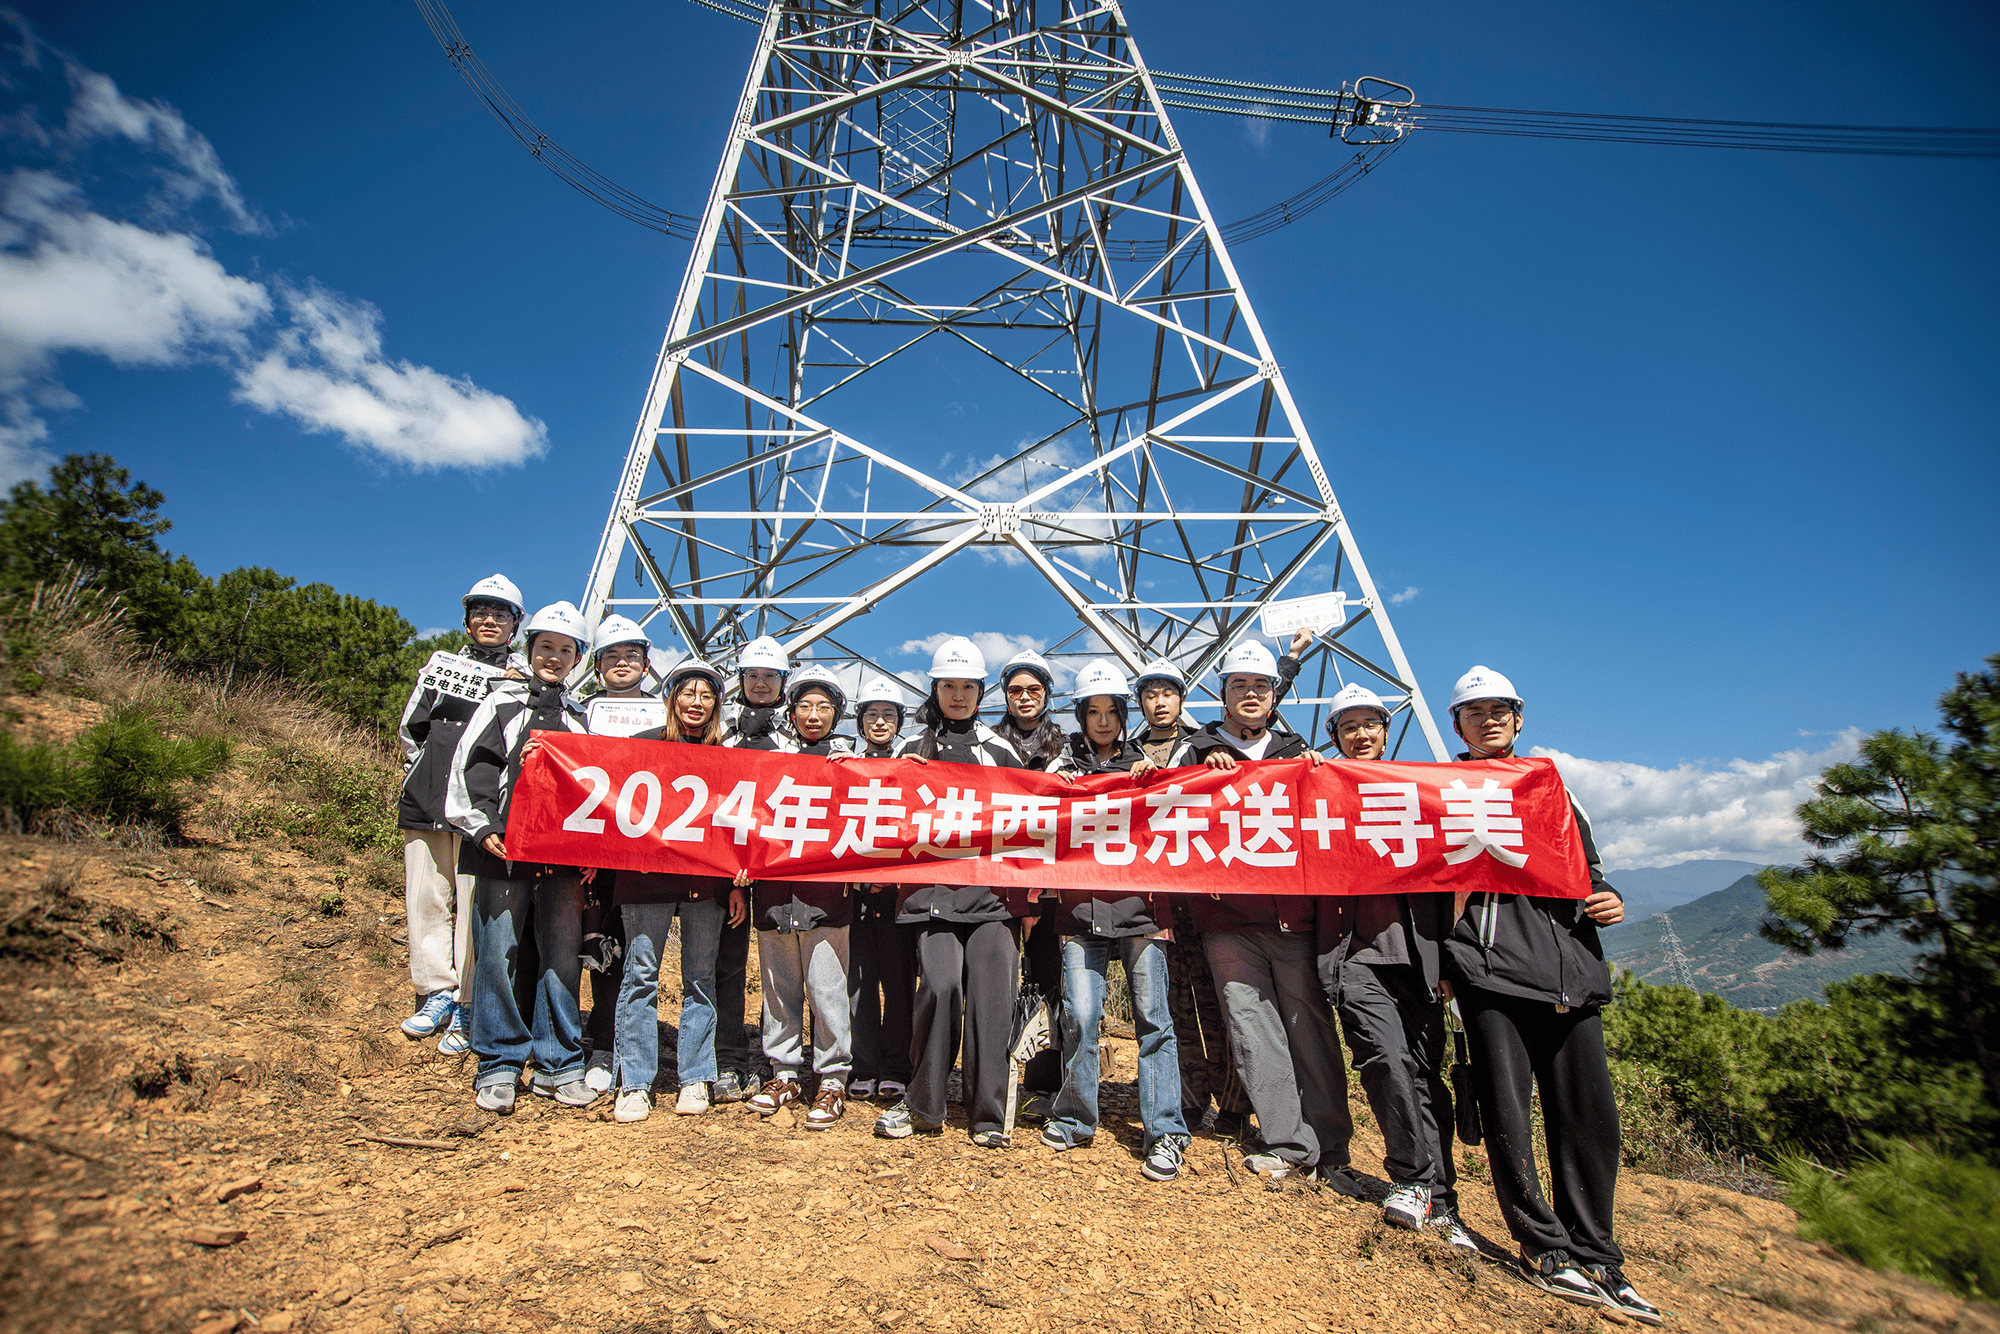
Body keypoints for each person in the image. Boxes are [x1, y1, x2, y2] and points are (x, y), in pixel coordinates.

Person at [1441, 666, 1661, 1325]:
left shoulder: (1554, 788)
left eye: (1499, 709)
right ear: (1457, 725)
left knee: (1590, 1120)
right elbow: (1431, 882)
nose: (1488, 720)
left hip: (1570, 972)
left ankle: (1598, 1254)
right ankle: (1543, 1246)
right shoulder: (1446, 793)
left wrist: (1610, 897)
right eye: (1473, 712)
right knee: (1507, 1115)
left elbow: (1588, 871)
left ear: (1519, 716)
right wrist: (1449, 965)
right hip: (1491, 969)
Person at [1171, 638, 1359, 1188]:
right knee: (1254, 1032)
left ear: (1275, 694)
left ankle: (1332, 1146)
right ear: (1222, 695)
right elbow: (1168, 805)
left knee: (1309, 1031)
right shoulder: (1198, 749)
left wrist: (1321, 773)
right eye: (1238, 686)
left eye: (1261, 686)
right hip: (1225, 919)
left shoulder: (1299, 753)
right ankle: (1287, 1142)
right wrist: (1201, 769)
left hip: (1293, 918)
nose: (1250, 695)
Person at [1315, 682, 1473, 1249]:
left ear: (1386, 732)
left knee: (1427, 1074)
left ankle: (1443, 1198)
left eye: (1370, 725)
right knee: (1383, 1058)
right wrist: (1307, 771)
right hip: (1354, 955)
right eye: (1348, 727)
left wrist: (1453, 960)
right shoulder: (1317, 791)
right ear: (1333, 735)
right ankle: (1410, 1177)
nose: (1361, 735)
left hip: (1419, 956)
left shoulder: (1421, 791)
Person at [874, 636, 1035, 1147]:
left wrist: (1028, 901)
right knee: (940, 988)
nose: (959, 695)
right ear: (935, 688)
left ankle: (987, 1115)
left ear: (981, 690)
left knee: (992, 1002)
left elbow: (1030, 823)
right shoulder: (910, 749)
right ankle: (924, 1104)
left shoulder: (1001, 750)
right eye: (949, 685)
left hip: (992, 900)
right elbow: (873, 801)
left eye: (968, 686)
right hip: (932, 897)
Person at [1042, 659, 1191, 1182]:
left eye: (1111, 711)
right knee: (1080, 1016)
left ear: (1124, 716)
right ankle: (1074, 1117)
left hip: (1142, 911)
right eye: (1093, 711)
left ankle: (1165, 1130)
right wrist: (1052, 787)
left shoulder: (1148, 770)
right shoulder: (1063, 773)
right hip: (1080, 912)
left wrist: (1158, 784)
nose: (1102, 722)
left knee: (1154, 1020)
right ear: (1080, 715)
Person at [445, 601, 593, 1115]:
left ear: (578, 659)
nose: (555, 657)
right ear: (529, 650)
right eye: (546, 647)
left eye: (565, 650)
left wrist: (594, 849)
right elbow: (470, 768)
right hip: (503, 850)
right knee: (498, 953)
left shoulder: (583, 718)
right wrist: (482, 826)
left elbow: (595, 794)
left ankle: (559, 1062)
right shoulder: (501, 704)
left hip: (564, 858)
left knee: (561, 957)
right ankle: (499, 1063)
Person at [605, 657, 745, 1122]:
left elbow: (742, 823)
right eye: (689, 693)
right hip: (646, 881)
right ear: (671, 698)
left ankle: (695, 1077)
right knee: (640, 975)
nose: (697, 703)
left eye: (707, 696)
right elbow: (599, 793)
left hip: (705, 883)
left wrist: (740, 878)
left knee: (700, 980)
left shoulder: (730, 757)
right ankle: (636, 1083)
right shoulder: (638, 748)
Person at [393, 574, 526, 1057]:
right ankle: (436, 993)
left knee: (475, 906)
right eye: (480, 612)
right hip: (426, 801)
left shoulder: (523, 679)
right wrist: (422, 775)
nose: (489, 620)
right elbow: (413, 729)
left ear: (516, 624)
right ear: (468, 620)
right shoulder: (441, 667)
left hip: (480, 809)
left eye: (500, 613)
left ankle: (471, 1000)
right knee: (427, 898)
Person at [1133, 657, 1254, 1139]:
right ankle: (1187, 1098)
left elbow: (1253, 778)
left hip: (1205, 896)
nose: (1159, 703)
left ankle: (1234, 1106)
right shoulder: (1129, 752)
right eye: (1150, 695)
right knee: (1174, 1003)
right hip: (1152, 899)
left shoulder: (1205, 744)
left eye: (1168, 694)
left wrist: (1224, 766)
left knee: (1219, 1002)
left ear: (1182, 699)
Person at [743, 664, 858, 1130]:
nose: (814, 715)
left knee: (828, 988)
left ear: (836, 714)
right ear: (790, 712)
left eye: (823, 707)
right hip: (774, 893)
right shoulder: (769, 757)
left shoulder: (851, 762)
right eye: (805, 706)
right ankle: (784, 1071)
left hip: (825, 896)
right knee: (778, 988)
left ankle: (832, 1077)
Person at [577, 615, 666, 1095]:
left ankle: (621, 1044)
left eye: (631, 656)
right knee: (587, 946)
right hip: (587, 851)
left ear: (647, 665)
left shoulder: (663, 715)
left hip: (640, 853)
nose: (621, 663)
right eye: (611, 656)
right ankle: (583, 1043)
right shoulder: (579, 713)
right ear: (596, 666)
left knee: (632, 950)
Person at [992, 648, 1076, 1112]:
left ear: (1046, 695)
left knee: (1048, 978)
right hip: (999, 878)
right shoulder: (987, 743)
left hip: (1049, 880)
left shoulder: (1064, 746)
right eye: (1016, 690)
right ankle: (996, 1074)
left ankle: (1044, 1081)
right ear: (1005, 695)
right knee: (1000, 980)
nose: (1024, 698)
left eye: (1034, 690)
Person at [713, 633, 793, 1102]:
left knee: (779, 970)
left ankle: (772, 1059)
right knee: (727, 963)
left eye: (770, 676)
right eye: (752, 676)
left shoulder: (795, 738)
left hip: (778, 869)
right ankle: (728, 1057)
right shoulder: (722, 732)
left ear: (783, 682)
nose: (761, 684)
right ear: (740, 680)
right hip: (725, 866)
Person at [847, 677, 916, 1102]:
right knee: (858, 982)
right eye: (871, 714)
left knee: (898, 981)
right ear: (859, 721)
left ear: (899, 722)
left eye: (888, 715)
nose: (879, 722)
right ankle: (863, 1064)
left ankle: (895, 1065)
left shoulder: (913, 767)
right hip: (853, 895)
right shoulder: (844, 767)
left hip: (897, 896)